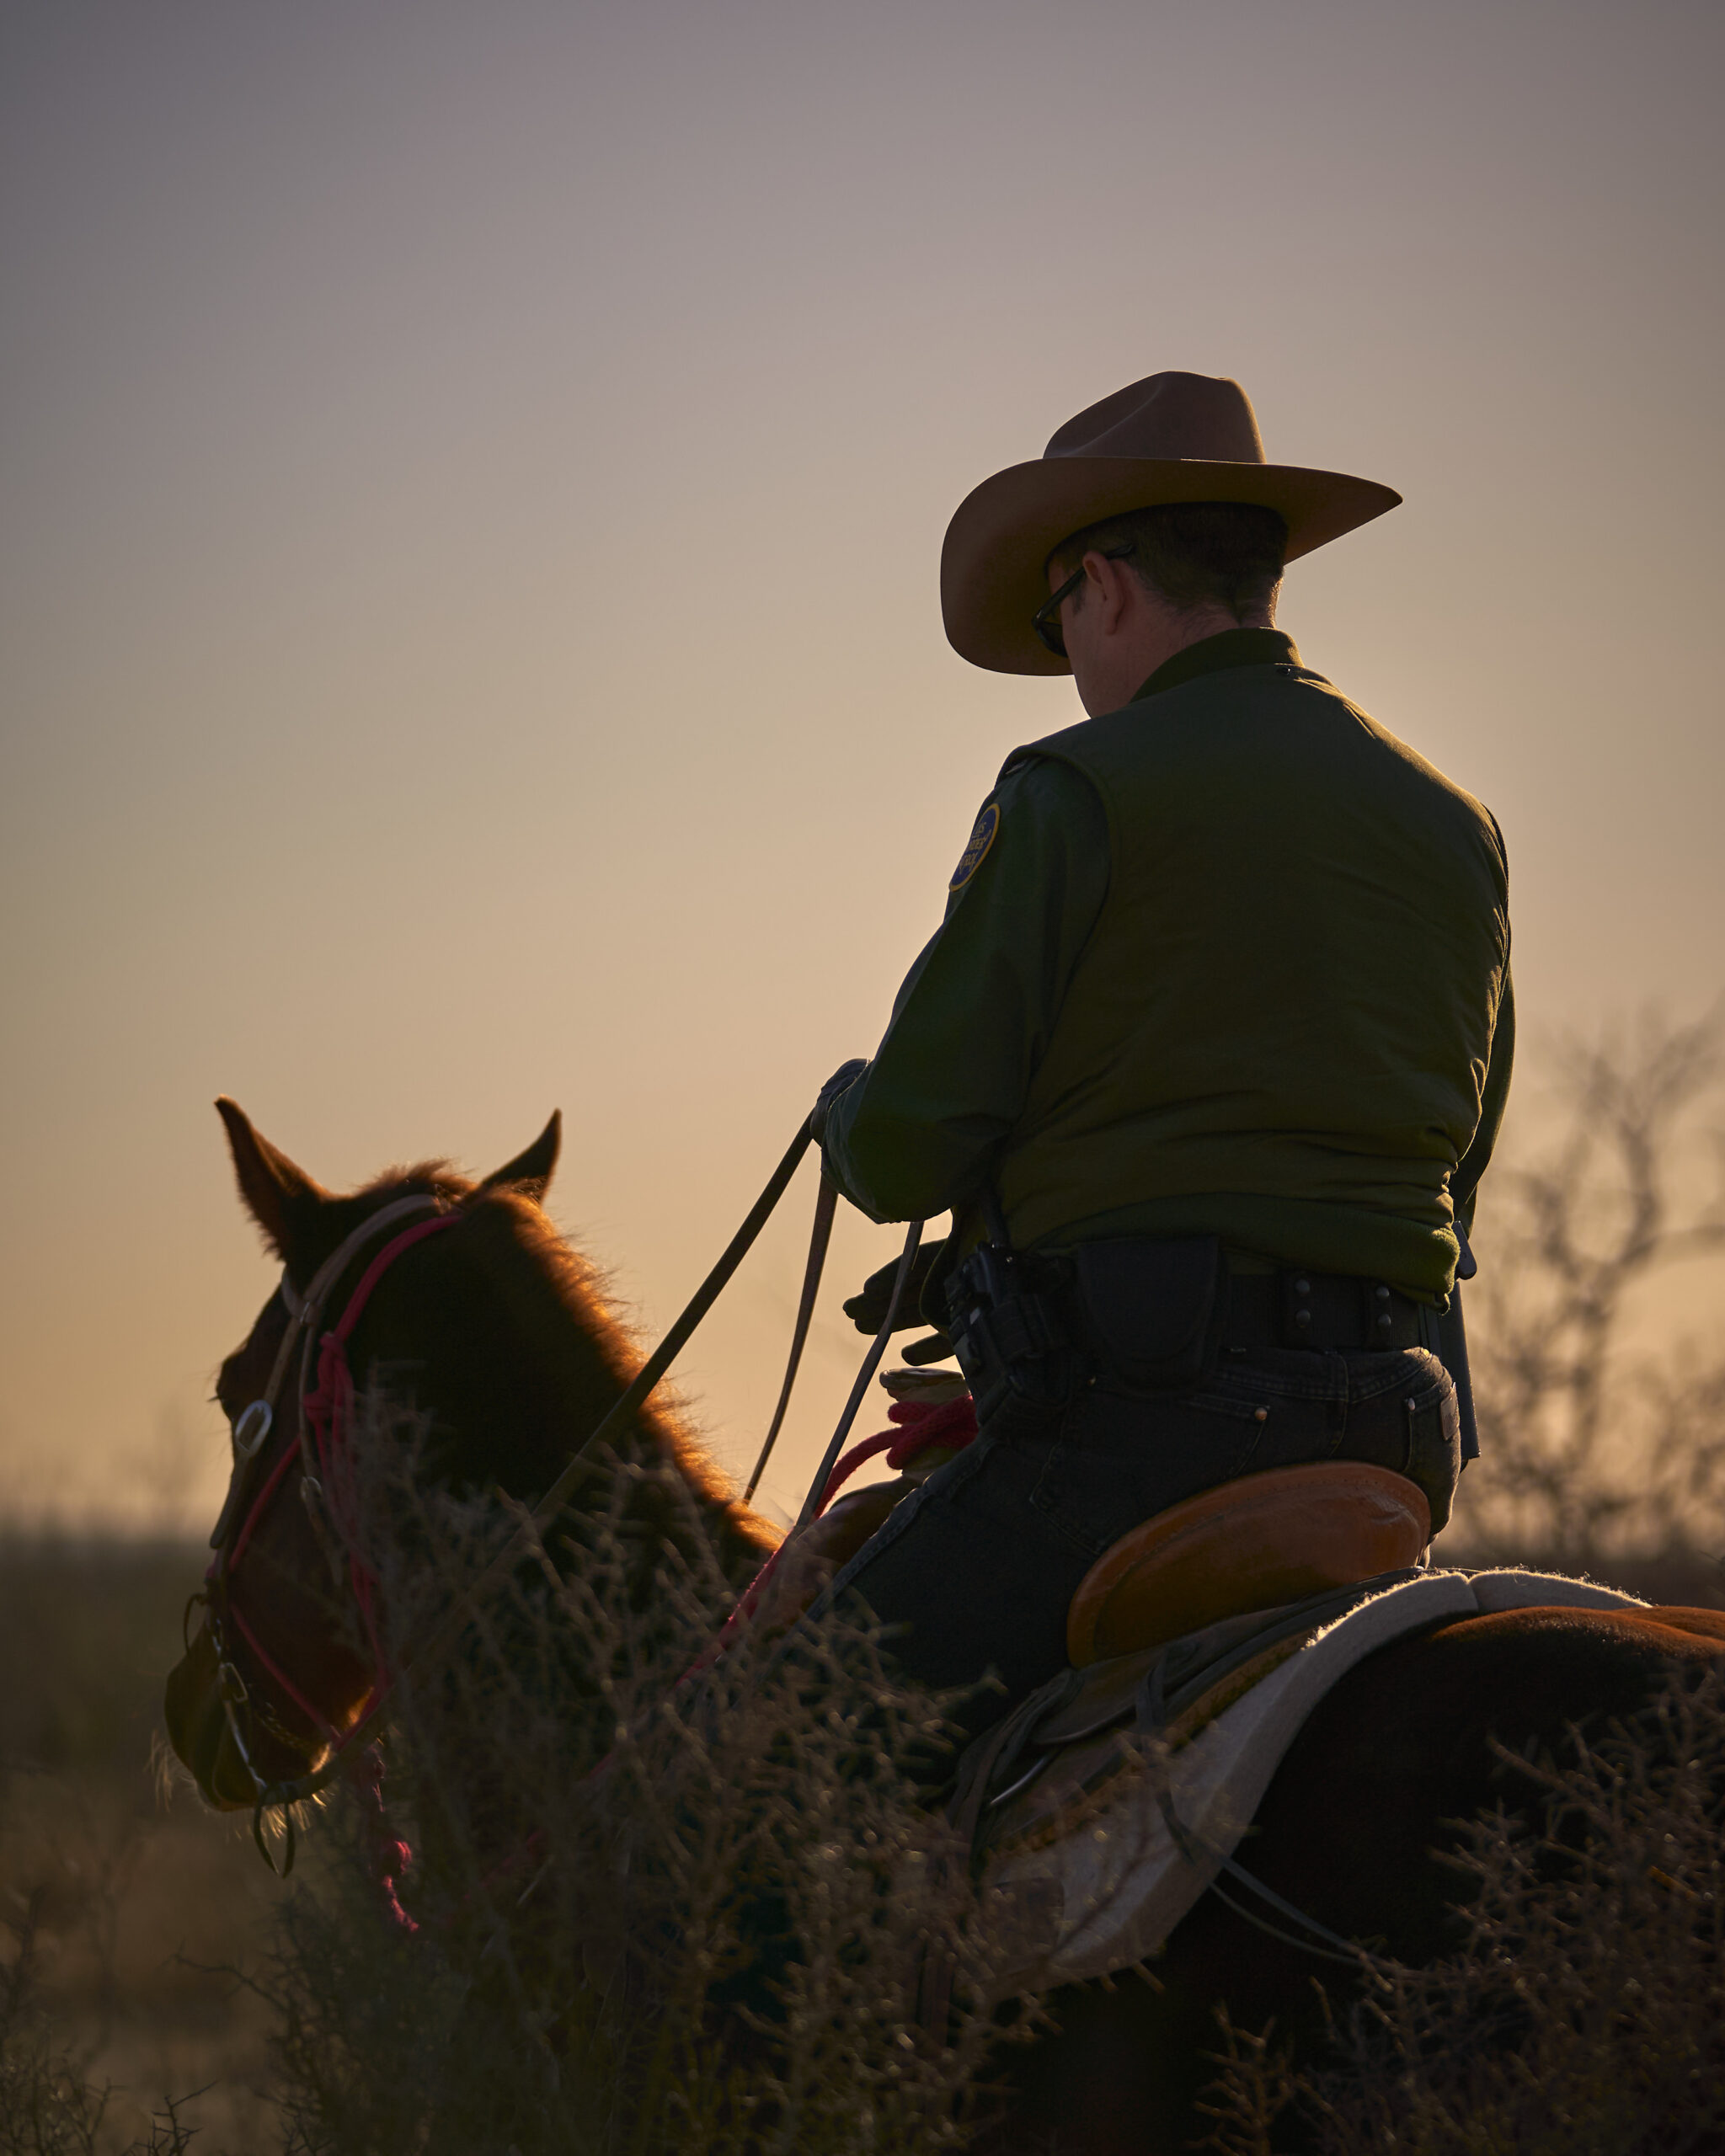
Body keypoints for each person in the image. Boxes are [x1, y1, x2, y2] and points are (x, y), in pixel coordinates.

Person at [803, 370, 1513, 1759]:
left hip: (1144, 1436)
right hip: (1395, 1433)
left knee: (761, 1759)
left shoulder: (1076, 789)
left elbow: (902, 1149)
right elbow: (1453, 1171)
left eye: (1057, 619)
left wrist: (841, 1111)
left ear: (1107, 585)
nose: (1069, 658)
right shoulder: (1456, 826)